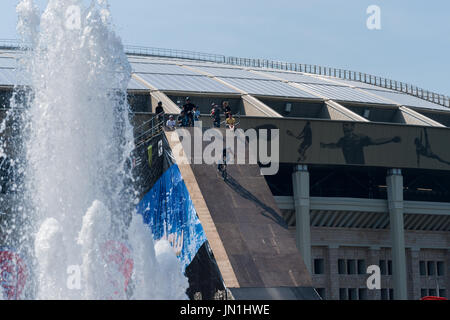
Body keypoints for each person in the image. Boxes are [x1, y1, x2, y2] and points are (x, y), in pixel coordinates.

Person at [320, 122, 401, 165]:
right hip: (349, 167)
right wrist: (325, 145)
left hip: (360, 167)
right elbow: (335, 145)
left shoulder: (360, 138)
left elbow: (375, 142)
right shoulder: (343, 140)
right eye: (343, 126)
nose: (344, 127)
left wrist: (391, 139)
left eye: (347, 125)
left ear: (352, 127)